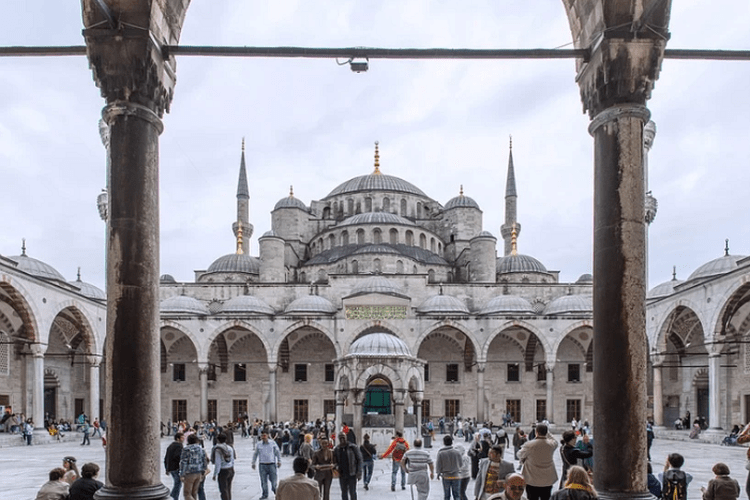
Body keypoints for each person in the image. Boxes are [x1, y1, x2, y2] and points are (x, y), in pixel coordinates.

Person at [517, 423, 558, 500]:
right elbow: (554, 440)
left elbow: (519, 454)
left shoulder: (530, 445)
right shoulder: (551, 444)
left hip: (532, 479)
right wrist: (547, 432)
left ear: (536, 432)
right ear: (546, 432)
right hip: (547, 479)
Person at [252, 430, 282, 499]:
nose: (263, 437)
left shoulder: (272, 443)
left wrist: (279, 461)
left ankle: (275, 491)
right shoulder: (259, 444)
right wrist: (253, 463)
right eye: (262, 436)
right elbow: (255, 454)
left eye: (264, 435)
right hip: (262, 465)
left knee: (274, 481)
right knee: (263, 481)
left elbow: (277, 452)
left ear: (268, 435)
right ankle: (265, 494)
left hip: (271, 464)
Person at [332, 431, 362, 500]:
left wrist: (359, 472)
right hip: (342, 474)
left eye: (343, 437)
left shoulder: (353, 447)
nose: (342, 439)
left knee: (352, 492)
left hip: (352, 473)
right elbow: (335, 461)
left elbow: (359, 459)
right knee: (344, 492)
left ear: (346, 437)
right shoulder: (337, 449)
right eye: (340, 437)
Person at [435, 435, 464, 500]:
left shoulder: (441, 453)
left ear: (444, 442)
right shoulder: (457, 452)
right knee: (456, 495)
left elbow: (438, 464)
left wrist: (438, 473)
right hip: (456, 476)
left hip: (446, 476)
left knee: (447, 495)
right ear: (452, 442)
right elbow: (461, 464)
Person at [212, 433, 236, 500]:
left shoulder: (218, 449)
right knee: (228, 488)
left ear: (218, 440)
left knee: (223, 490)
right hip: (230, 469)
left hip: (223, 470)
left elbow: (218, 462)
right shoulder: (230, 448)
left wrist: (215, 473)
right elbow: (232, 460)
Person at [312, 436, 335, 500]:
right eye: (323, 443)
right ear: (320, 444)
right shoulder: (316, 453)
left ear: (328, 444)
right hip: (319, 474)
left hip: (328, 474)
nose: (324, 445)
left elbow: (335, 463)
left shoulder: (331, 452)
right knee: (318, 492)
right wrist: (316, 466)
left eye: (326, 443)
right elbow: (312, 464)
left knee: (327, 492)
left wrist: (333, 465)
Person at [164, 432, 184, 500]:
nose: (183, 439)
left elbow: (166, 457)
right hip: (176, 467)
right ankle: (173, 497)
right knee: (178, 484)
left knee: (177, 483)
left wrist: (167, 468)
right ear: (178, 438)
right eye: (182, 437)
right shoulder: (179, 445)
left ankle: (174, 497)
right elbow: (178, 456)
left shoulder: (170, 445)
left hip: (171, 468)